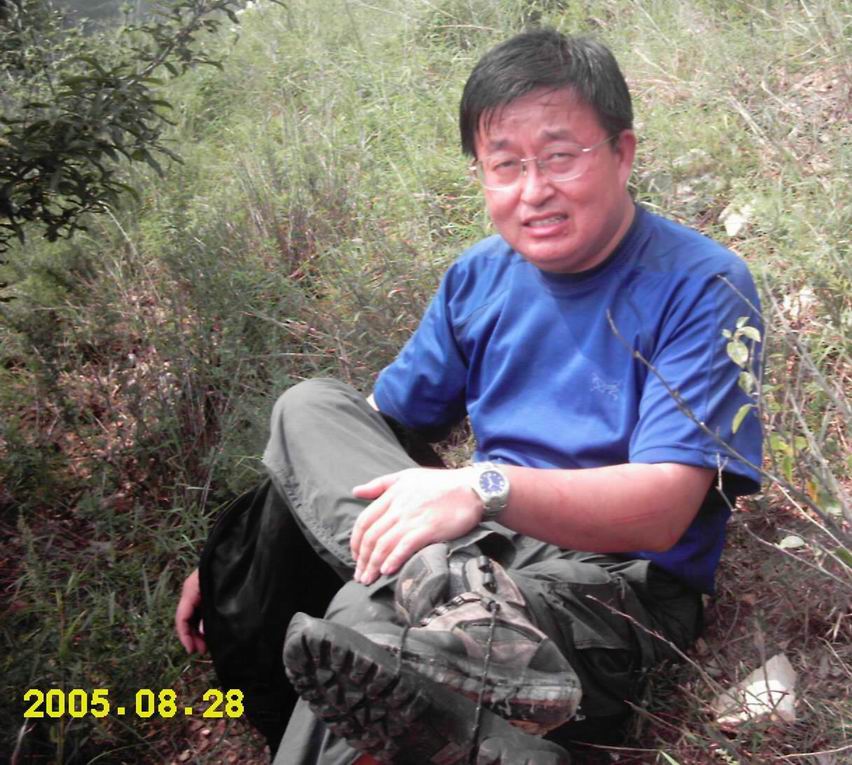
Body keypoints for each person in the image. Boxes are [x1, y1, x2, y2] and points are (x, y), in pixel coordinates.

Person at [176, 28, 763, 764]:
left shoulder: (702, 285)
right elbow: (373, 432)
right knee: (310, 406)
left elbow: (664, 510)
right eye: (505, 165)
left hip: (609, 585)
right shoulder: (479, 277)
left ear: (623, 152)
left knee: (363, 616)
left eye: (560, 157)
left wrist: (481, 487)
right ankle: (464, 629)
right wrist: (248, 548)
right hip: (477, 559)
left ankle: (469, 643)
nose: (533, 190)